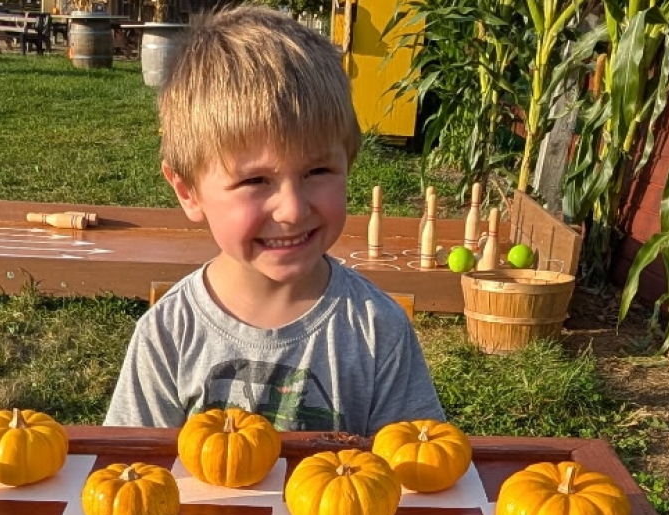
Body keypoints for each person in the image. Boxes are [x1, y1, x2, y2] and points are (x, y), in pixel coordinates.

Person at [103, 4, 445, 435]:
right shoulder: (169, 334)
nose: (292, 209)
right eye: (256, 180)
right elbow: (133, 470)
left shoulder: (377, 330)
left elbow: (419, 461)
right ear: (188, 191)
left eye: (317, 172)